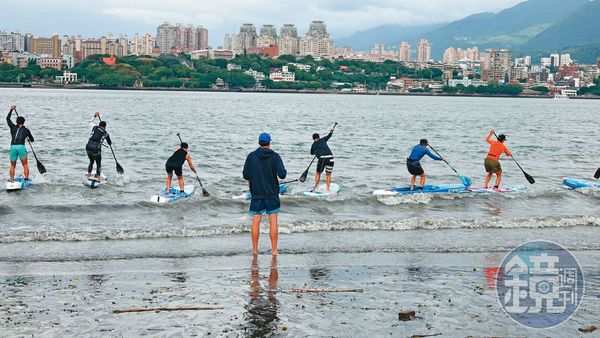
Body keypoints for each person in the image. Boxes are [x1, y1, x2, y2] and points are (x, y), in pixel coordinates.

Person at [243, 133, 287, 256]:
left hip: (256, 194)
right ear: (269, 143)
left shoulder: (251, 156)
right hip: (272, 194)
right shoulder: (275, 156)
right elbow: (282, 174)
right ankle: (274, 251)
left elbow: (246, 175)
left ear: (259, 142)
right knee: (273, 222)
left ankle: (255, 251)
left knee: (255, 222)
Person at [7, 105, 34, 182]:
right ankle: (26, 179)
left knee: (12, 165)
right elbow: (32, 140)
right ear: (23, 122)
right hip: (21, 147)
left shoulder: (12, 127)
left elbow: (7, 119)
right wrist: (28, 139)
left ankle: (11, 180)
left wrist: (11, 109)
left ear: (16, 122)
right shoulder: (26, 130)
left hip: (13, 147)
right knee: (25, 165)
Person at [86, 112, 112, 181]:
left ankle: (88, 174)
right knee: (98, 163)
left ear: (99, 125)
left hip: (88, 147)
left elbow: (89, 122)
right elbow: (109, 143)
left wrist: (95, 116)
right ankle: (97, 177)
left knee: (91, 161)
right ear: (105, 127)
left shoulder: (94, 127)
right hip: (96, 149)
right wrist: (108, 142)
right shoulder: (106, 133)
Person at [310, 126, 336, 192]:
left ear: (313, 139)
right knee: (328, 174)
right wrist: (331, 130)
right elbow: (329, 135)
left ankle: (317, 187)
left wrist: (316, 152)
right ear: (319, 137)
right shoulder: (323, 139)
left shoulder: (313, 144)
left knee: (318, 173)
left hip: (322, 159)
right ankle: (328, 189)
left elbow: (311, 153)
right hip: (331, 158)